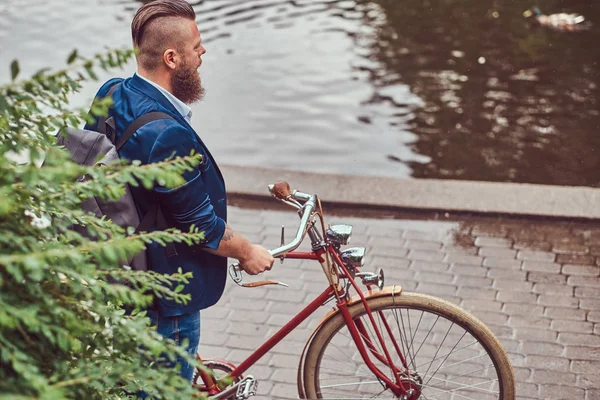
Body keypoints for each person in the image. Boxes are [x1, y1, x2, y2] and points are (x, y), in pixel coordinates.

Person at [86, 0, 274, 382]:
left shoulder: (114, 92)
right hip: (165, 297)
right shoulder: (167, 135)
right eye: (197, 46)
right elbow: (200, 227)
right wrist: (247, 251)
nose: (202, 53)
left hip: (125, 272)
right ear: (172, 58)